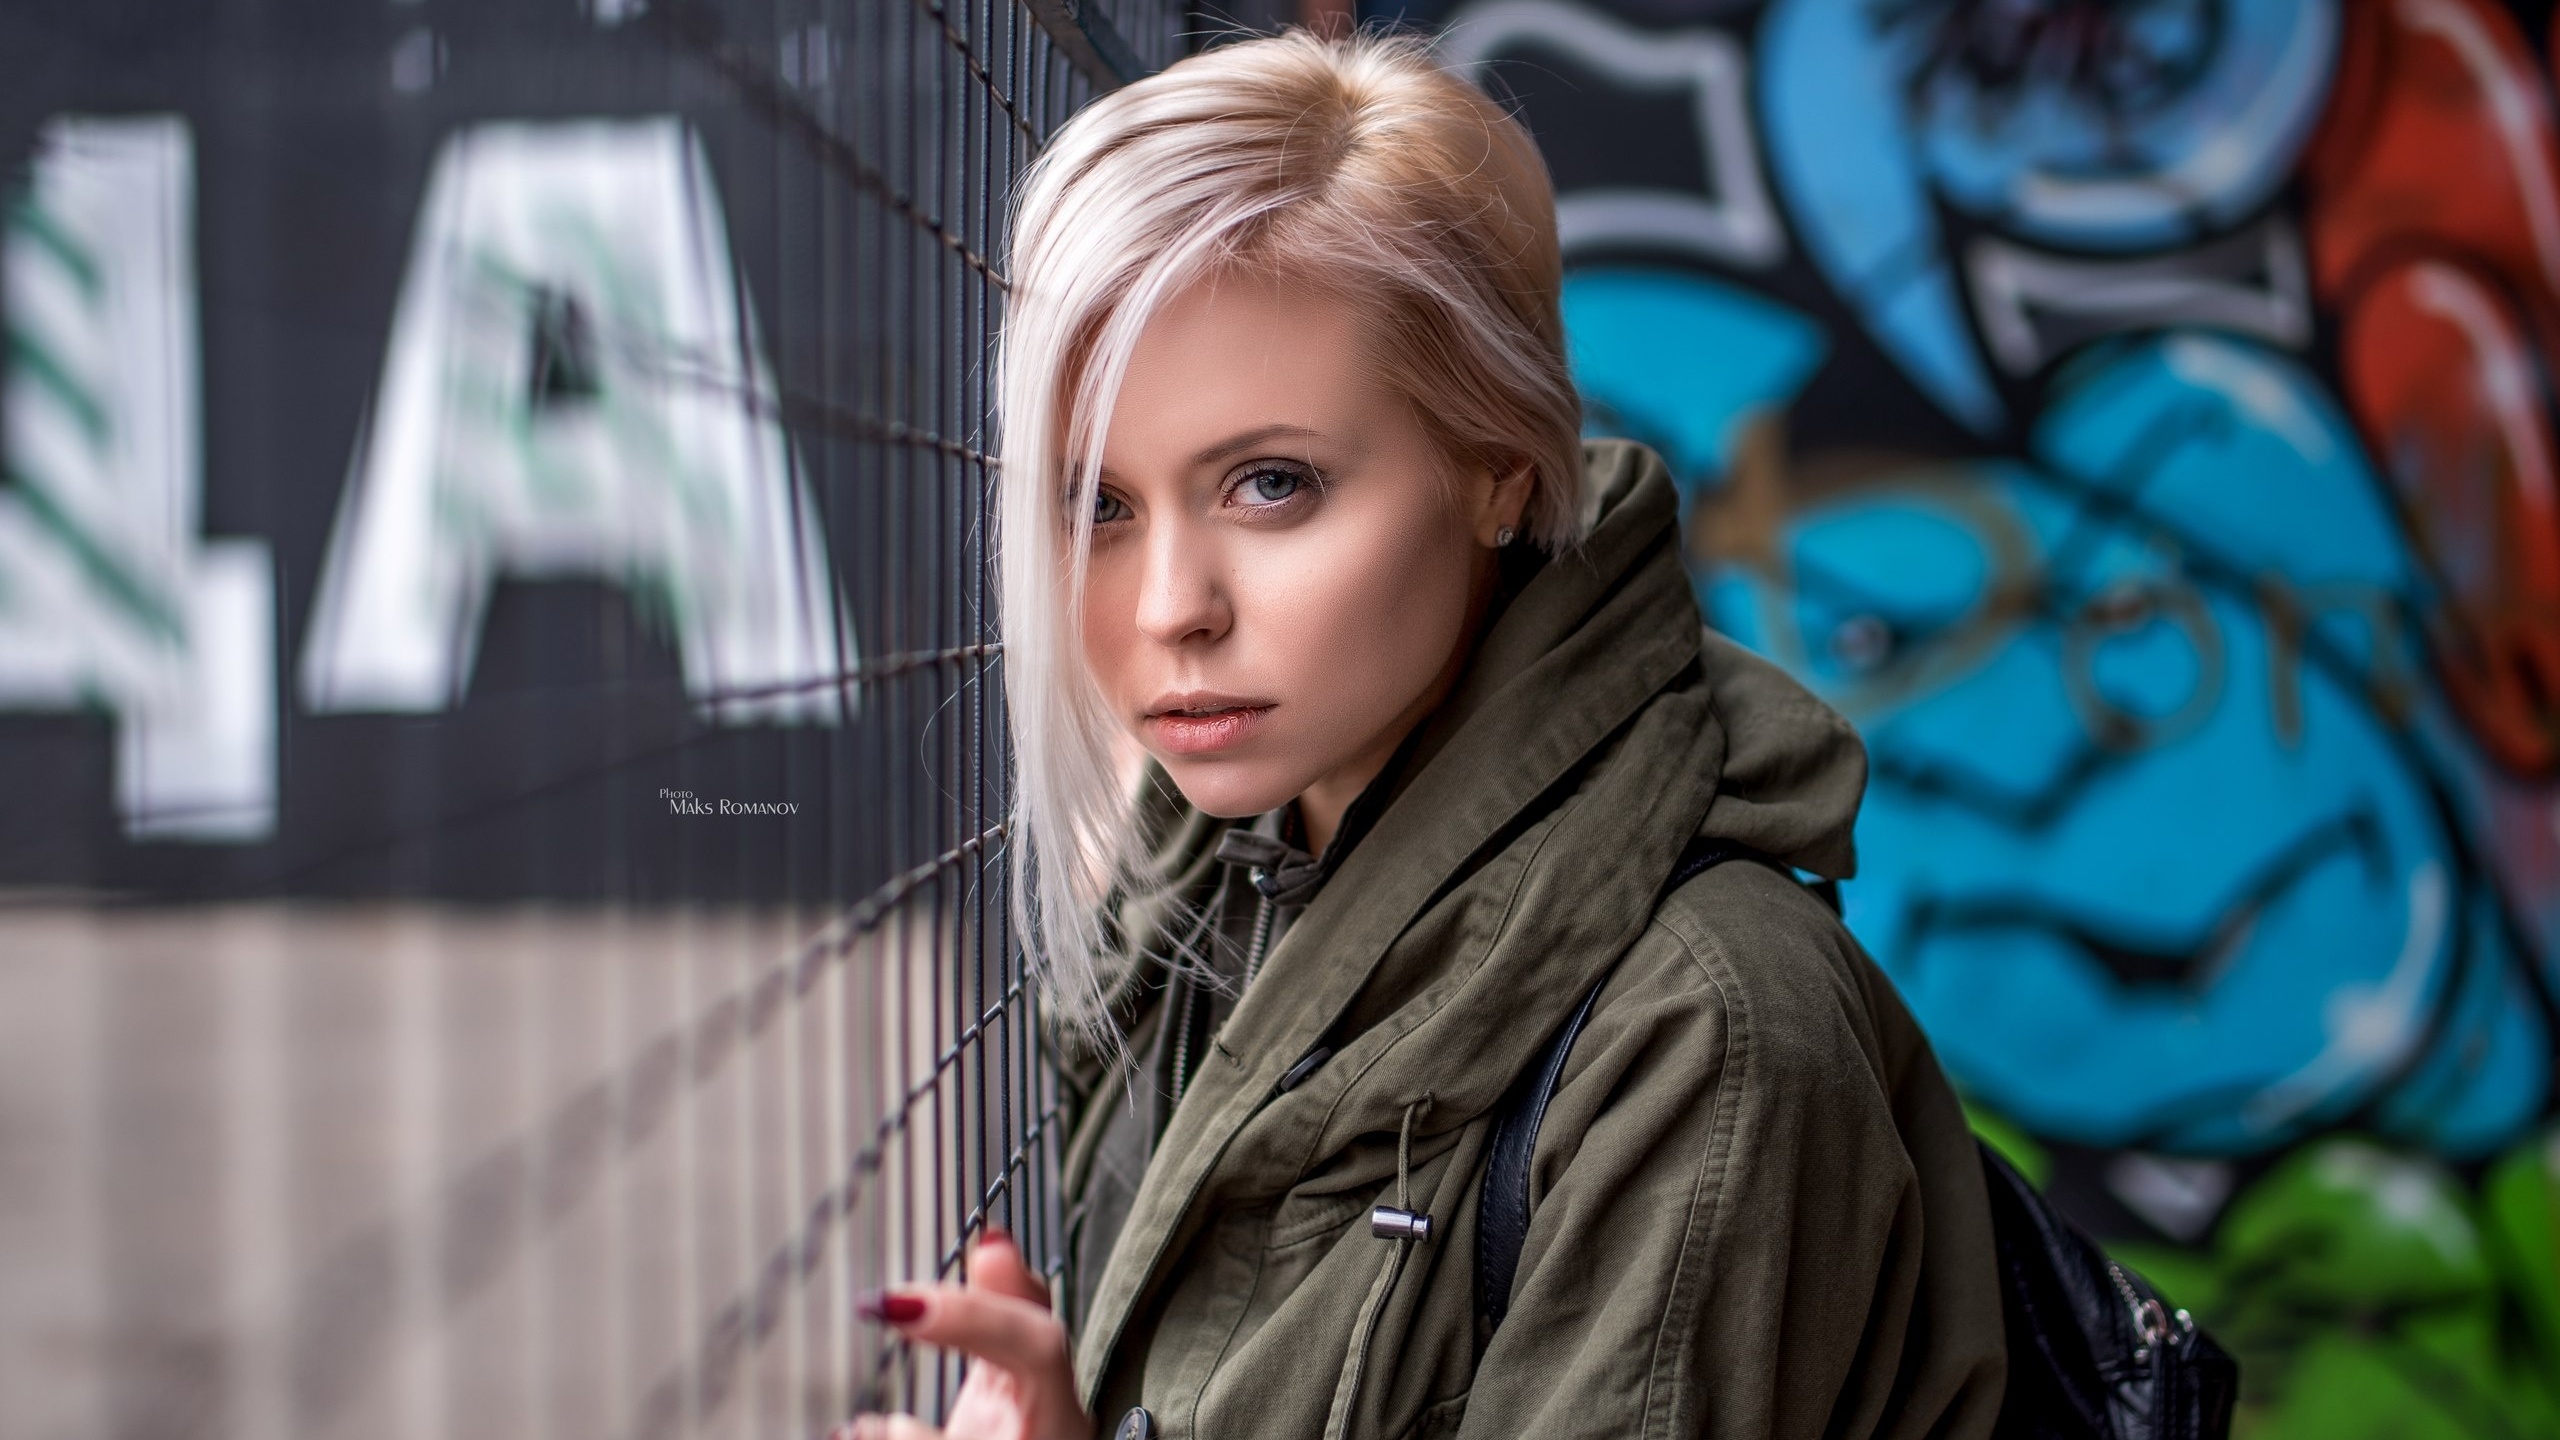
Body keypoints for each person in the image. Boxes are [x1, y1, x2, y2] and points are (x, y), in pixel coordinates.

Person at [844, 23, 2007, 1440]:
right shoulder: (1224, 881)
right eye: (1100, 502)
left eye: (1271, 484)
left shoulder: (1700, 1036)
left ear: (1500, 474)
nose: (1170, 608)